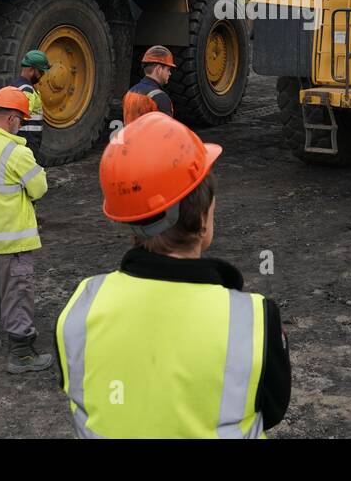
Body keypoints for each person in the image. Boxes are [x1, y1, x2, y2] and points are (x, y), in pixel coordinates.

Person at [55, 111, 290, 438]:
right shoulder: (254, 321)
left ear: (128, 220)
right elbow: (272, 411)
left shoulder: (80, 308)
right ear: (204, 220)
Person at [0, 86, 52, 373]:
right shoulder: (16, 153)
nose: (23, 125)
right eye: (22, 120)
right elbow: (39, 189)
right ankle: (22, 353)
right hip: (11, 241)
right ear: (13, 118)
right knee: (17, 294)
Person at [122, 45, 176, 123]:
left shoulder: (130, 93)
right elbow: (165, 132)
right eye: (168, 69)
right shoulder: (160, 98)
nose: (170, 73)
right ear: (159, 69)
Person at [10, 50, 48, 149]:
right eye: (41, 71)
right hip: (28, 141)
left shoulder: (15, 85)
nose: (42, 75)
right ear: (32, 70)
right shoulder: (28, 90)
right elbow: (20, 118)